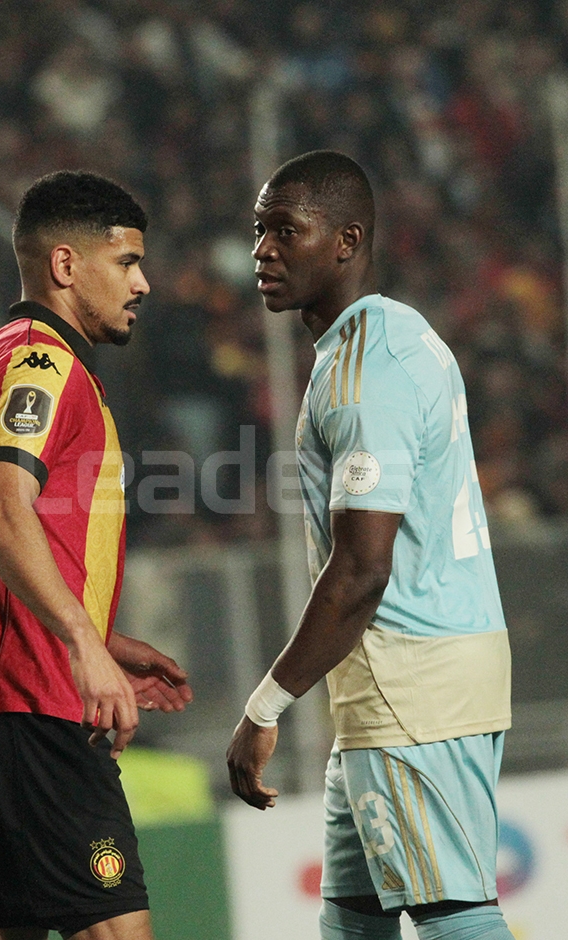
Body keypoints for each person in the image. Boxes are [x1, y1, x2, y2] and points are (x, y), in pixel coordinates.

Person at [227, 151, 514, 940]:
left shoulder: (365, 373)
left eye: (286, 230)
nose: (262, 250)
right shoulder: (396, 335)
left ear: (347, 241)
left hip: (410, 684)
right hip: (414, 676)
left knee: (454, 914)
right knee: (351, 921)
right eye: (258, 231)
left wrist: (264, 706)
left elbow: (361, 569)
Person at [0, 170, 193, 940]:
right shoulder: (46, 364)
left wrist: (101, 636)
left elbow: (9, 542)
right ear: (66, 265)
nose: (142, 283)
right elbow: (0, 510)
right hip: (27, 706)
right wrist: (80, 643)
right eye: (126, 262)